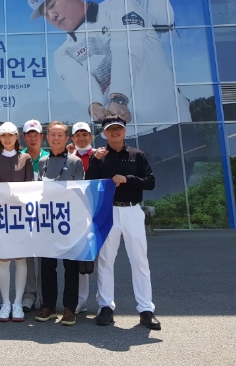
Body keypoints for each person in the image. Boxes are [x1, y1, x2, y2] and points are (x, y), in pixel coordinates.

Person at [27, 0, 191, 128]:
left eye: (52, 5)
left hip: (171, 123)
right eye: (45, 14)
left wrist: (118, 98)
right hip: (120, 136)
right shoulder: (62, 54)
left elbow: (127, 50)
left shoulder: (119, 3)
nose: (52, 16)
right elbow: (81, 85)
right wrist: (94, 105)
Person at [84, 114, 160, 330]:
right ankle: (105, 306)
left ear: (125, 131)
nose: (115, 132)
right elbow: (88, 183)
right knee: (106, 261)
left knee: (140, 260)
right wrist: (95, 160)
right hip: (108, 212)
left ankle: (146, 310)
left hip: (132, 211)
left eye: (118, 128)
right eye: (110, 129)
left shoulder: (137, 155)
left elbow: (150, 182)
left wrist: (128, 179)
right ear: (104, 133)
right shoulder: (100, 156)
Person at [34, 121, 84, 326]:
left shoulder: (75, 161)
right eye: (52, 135)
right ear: (47, 138)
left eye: (60, 135)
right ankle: (49, 306)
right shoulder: (42, 162)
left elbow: (80, 191)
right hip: (47, 221)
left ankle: (70, 308)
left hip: (68, 221)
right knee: (47, 266)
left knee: (70, 266)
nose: (55, 138)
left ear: (67, 138)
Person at [0, 122, 34, 322]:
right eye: (3, 135)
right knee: (4, 259)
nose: (7, 139)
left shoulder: (25, 158)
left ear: (16, 137)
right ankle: (6, 303)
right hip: (1, 215)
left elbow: (30, 188)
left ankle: (17, 303)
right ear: (0, 138)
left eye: (10, 135)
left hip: (20, 215)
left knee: (20, 259)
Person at [20, 119, 50, 311]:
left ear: (42, 137)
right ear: (24, 138)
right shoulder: (18, 158)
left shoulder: (50, 158)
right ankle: (29, 294)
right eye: (29, 135)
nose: (33, 138)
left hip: (45, 216)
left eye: (36, 135)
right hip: (24, 216)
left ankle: (46, 296)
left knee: (44, 259)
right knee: (27, 258)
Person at [66, 121, 95, 315]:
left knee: (101, 260)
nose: (81, 138)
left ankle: (104, 302)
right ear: (73, 138)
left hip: (95, 212)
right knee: (81, 259)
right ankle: (81, 300)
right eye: (78, 135)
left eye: (85, 134)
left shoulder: (99, 155)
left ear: (91, 137)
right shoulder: (69, 157)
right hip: (74, 214)